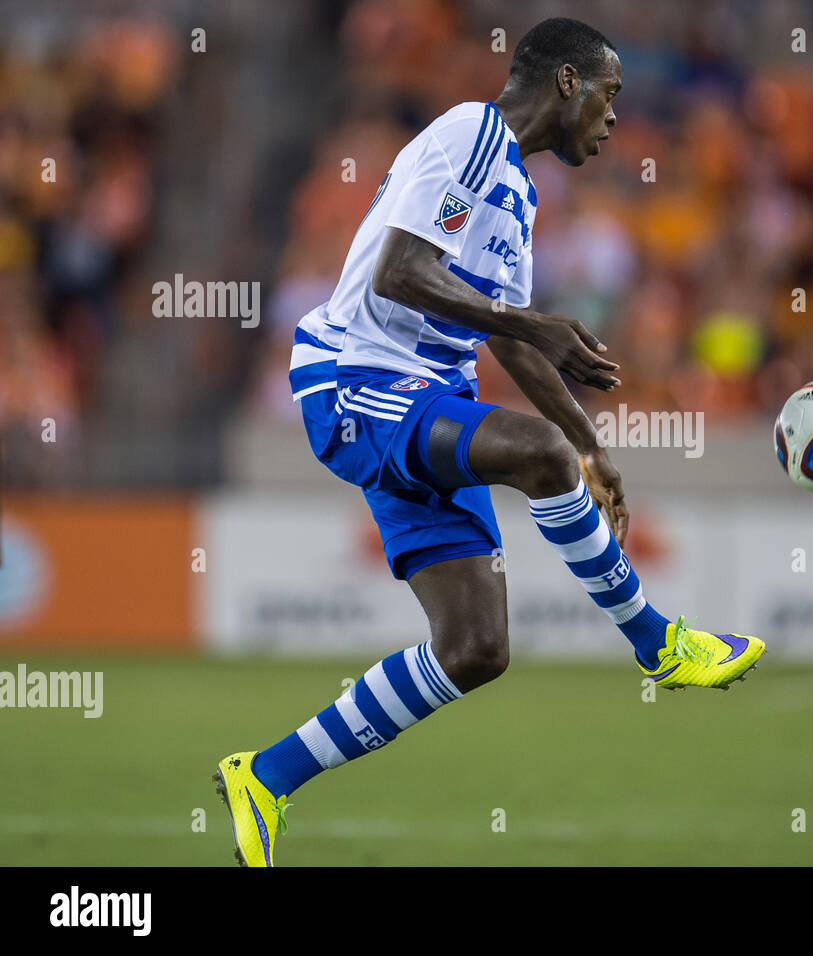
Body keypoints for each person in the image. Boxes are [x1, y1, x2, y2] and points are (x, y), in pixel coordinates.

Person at [213, 17, 764, 868]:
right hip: (356, 379)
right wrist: (537, 336)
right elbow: (402, 272)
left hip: (421, 400)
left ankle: (267, 776)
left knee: (476, 651)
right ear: (569, 82)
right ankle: (659, 645)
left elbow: (507, 339)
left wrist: (592, 443)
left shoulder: (519, 191)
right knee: (534, 453)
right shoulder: (473, 134)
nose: (615, 120)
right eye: (611, 96)